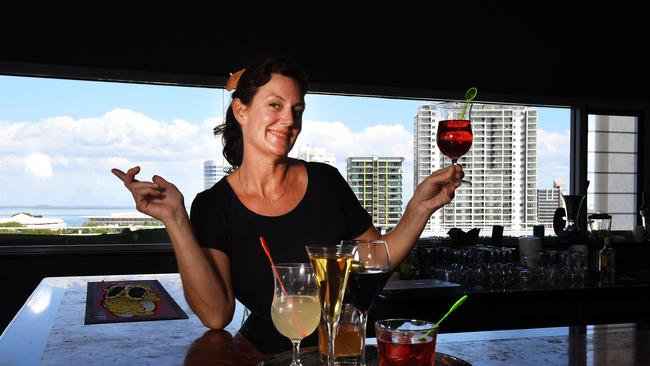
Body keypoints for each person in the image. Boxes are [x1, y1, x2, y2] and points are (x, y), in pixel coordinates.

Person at [112, 58, 464, 353]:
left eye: (297, 110)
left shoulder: (325, 181)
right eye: (275, 105)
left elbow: (376, 259)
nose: (289, 120)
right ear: (241, 110)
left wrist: (419, 208)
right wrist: (175, 219)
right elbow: (217, 315)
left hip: (343, 348)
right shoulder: (212, 206)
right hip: (265, 355)